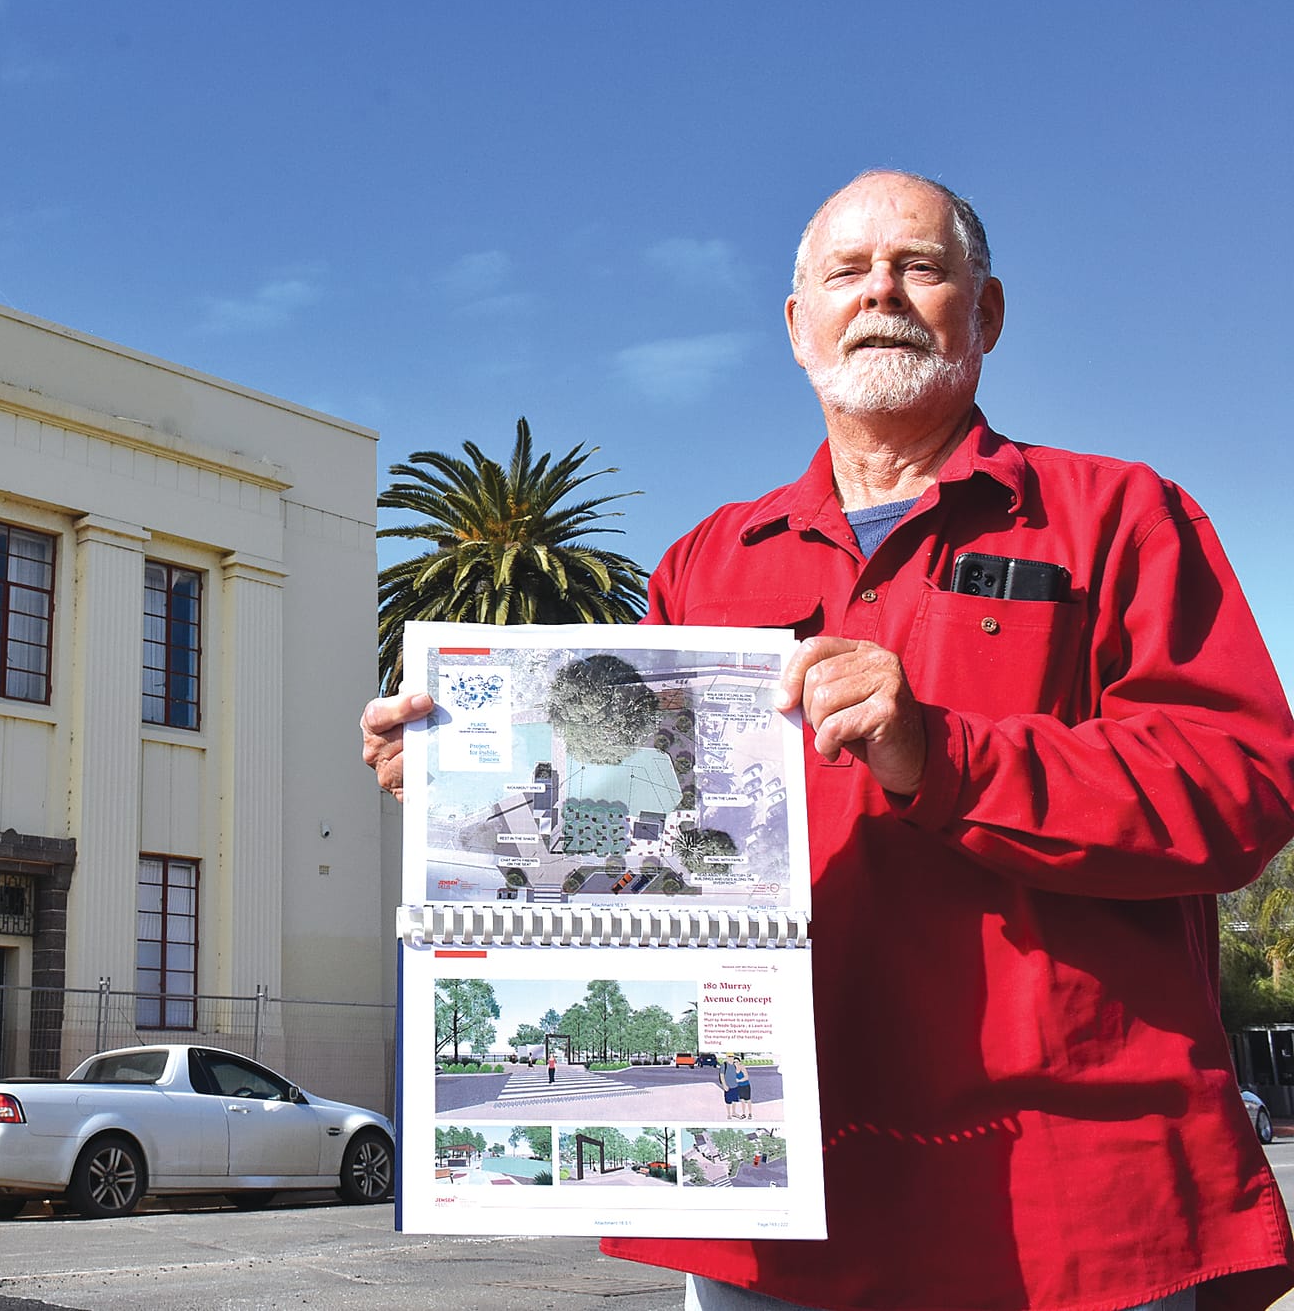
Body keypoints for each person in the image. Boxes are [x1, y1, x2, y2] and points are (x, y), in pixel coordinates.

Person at [361, 170, 1294, 1310]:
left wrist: (941, 753)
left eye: (919, 267)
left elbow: (1236, 788)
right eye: (845, 272)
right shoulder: (707, 563)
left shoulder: (1119, 517)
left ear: (985, 313)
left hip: (1068, 1199)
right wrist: (470, 780)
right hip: (769, 1188)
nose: (880, 294)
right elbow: (634, 831)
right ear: (797, 324)